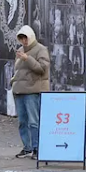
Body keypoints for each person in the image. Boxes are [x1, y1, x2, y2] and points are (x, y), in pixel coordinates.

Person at [10, 25, 51, 158]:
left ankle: (37, 148)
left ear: (31, 36)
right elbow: (18, 70)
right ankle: (27, 147)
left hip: (33, 90)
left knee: (34, 121)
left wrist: (28, 59)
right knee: (22, 121)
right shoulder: (21, 50)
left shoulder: (41, 49)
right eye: (21, 38)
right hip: (19, 91)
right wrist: (13, 82)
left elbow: (42, 69)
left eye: (25, 38)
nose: (24, 41)